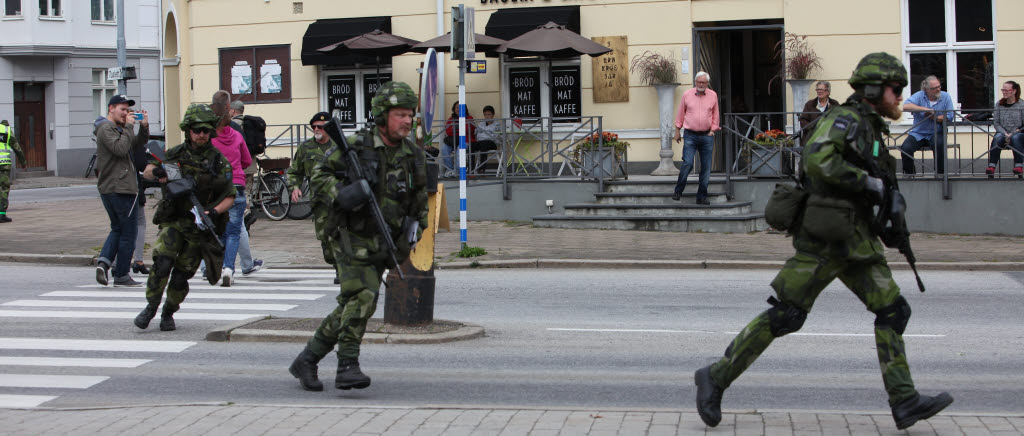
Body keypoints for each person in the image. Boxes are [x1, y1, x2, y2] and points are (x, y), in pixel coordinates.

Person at [693, 53, 952, 431]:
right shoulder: (844, 120)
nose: (900, 96)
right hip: (826, 238)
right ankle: (714, 377)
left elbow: (871, 179)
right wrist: (869, 184)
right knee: (787, 315)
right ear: (876, 89)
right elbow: (817, 162)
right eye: (896, 89)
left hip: (857, 242)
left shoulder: (869, 126)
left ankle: (904, 400)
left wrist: (889, 206)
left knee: (894, 311)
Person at [289, 81, 428, 392]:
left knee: (353, 304)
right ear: (382, 115)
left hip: (385, 239)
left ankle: (307, 360)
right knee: (363, 298)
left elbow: (419, 200)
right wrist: (345, 193)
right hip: (350, 236)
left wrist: (414, 235)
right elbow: (320, 174)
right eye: (400, 115)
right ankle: (347, 365)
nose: (407, 121)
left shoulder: (412, 155)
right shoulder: (357, 145)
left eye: (410, 115)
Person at [134, 104, 235, 331]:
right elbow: (148, 170)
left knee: (181, 275)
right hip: (175, 220)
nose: (201, 134)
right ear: (188, 130)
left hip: (198, 227)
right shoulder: (175, 154)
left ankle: (168, 312)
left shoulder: (218, 161)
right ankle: (150, 307)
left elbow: (231, 196)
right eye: (197, 130)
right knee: (162, 262)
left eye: (206, 130)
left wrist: (213, 212)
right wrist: (159, 172)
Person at [94, 94, 149, 287]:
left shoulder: (118, 128)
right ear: (111, 109)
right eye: (122, 110)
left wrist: (144, 128)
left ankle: (104, 262)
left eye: (128, 110)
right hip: (119, 187)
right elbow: (120, 148)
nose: (126, 113)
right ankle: (122, 274)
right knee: (128, 232)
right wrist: (128, 126)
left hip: (117, 186)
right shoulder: (106, 129)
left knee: (118, 228)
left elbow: (135, 145)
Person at [286, 111, 338, 283]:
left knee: (342, 234)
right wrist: (294, 187)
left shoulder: (339, 146)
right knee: (325, 237)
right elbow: (295, 171)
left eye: (321, 127)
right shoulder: (306, 148)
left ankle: (342, 269)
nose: (316, 129)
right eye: (314, 126)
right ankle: (334, 262)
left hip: (340, 199)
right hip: (319, 201)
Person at [210, 90, 252, 287]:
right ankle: (228, 268)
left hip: (216, 187)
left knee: (216, 229)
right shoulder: (236, 135)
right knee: (234, 230)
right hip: (237, 185)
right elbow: (247, 160)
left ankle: (212, 267)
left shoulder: (209, 136)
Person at [671, 71, 719, 205]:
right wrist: (677, 130)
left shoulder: (713, 95)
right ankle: (678, 191)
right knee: (687, 163)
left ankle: (702, 196)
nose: (701, 84)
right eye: (699, 82)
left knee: (706, 167)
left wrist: (712, 130)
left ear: (707, 83)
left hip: (706, 136)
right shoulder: (687, 94)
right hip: (690, 134)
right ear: (695, 82)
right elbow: (681, 112)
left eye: (704, 82)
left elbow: (716, 114)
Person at [228, 100, 263, 276]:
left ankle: (246, 214)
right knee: (246, 195)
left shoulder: (233, 127)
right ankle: (246, 214)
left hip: (236, 172)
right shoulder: (248, 124)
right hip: (249, 167)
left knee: (237, 219)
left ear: (233, 110)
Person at [900, 75, 954, 175]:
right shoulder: (919, 95)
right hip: (918, 133)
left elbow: (950, 115)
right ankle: (909, 175)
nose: (938, 89)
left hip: (936, 132)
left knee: (939, 145)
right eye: (935, 88)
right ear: (927, 89)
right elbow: (905, 106)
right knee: (905, 148)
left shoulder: (945, 96)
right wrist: (925, 110)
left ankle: (940, 175)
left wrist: (937, 118)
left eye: (939, 86)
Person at [985, 81, 1024, 178]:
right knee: (997, 137)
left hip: (1019, 133)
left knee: (1015, 138)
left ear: (1014, 91)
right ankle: (991, 167)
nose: (1004, 92)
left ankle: (1019, 167)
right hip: (1003, 133)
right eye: (1003, 90)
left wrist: (1016, 132)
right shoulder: (999, 104)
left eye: (1006, 90)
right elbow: (996, 123)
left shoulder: (1021, 105)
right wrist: (1005, 133)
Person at [0, 119, 27, 223]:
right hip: (4, 165)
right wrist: (23, 162)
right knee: (3, 188)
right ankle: (1, 214)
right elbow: (17, 148)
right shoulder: (6, 130)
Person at [442, 102, 475, 177]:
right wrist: (460, 128)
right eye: (457, 107)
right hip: (453, 141)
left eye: (461, 107)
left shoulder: (469, 118)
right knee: (444, 149)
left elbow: (468, 129)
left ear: (465, 109)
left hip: (465, 140)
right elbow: (448, 131)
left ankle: (458, 171)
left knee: (460, 149)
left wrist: (455, 128)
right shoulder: (451, 119)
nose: (458, 109)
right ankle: (449, 169)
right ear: (454, 109)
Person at [472, 105, 502, 172]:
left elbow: (495, 136)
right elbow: (477, 134)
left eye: (489, 114)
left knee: (484, 144)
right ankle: (471, 168)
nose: (487, 116)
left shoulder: (496, 125)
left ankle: (482, 168)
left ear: (493, 115)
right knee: (471, 146)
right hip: (481, 142)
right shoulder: (481, 124)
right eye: (485, 115)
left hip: (492, 143)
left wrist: (483, 135)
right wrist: (486, 134)